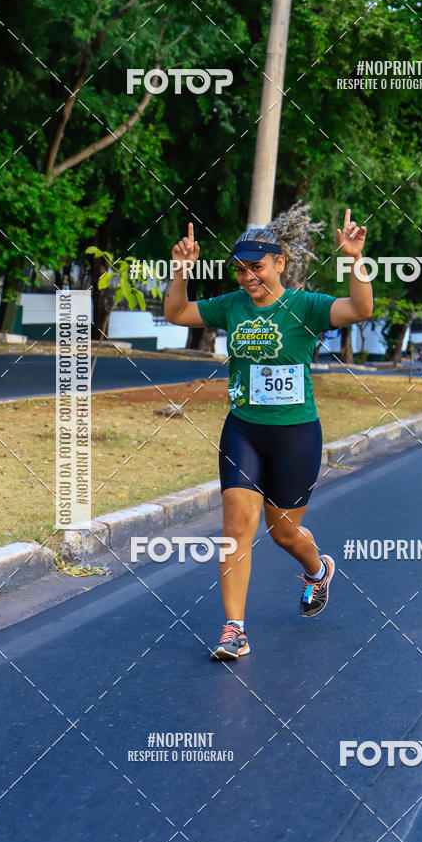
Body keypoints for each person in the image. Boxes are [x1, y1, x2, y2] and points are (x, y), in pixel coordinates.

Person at [164, 206, 373, 660]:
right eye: (239, 269)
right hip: (243, 432)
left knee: (282, 533)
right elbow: (177, 311)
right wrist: (180, 271)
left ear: (280, 263)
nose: (247, 277)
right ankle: (233, 630)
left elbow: (360, 307)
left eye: (256, 267)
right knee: (236, 527)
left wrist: (354, 260)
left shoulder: (306, 306)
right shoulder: (230, 305)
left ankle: (318, 569)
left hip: (296, 436)